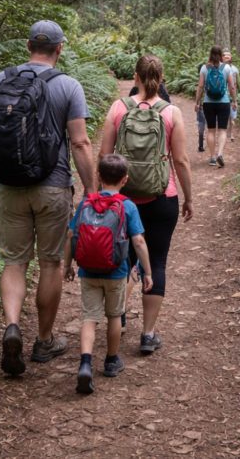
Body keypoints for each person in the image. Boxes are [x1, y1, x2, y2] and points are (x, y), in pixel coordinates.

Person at [0, 20, 96, 377]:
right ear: (59, 48)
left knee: (14, 262)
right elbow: (79, 142)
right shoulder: (68, 86)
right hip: (52, 185)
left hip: (9, 186)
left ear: (29, 45)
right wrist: (92, 191)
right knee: (50, 264)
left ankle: (13, 325)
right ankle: (43, 341)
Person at [98, 54, 193, 356]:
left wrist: (103, 195)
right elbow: (180, 160)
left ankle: (119, 317)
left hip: (123, 199)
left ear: (135, 78)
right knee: (158, 261)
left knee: (122, 260)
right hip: (161, 197)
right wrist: (189, 197)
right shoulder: (172, 112)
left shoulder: (118, 107)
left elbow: (104, 155)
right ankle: (148, 333)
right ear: (161, 79)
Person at [64, 154, 153, 394]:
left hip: (88, 271)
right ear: (125, 179)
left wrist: (67, 265)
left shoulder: (85, 204)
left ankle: (85, 363)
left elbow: (71, 235)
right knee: (114, 316)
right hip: (116, 271)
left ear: (99, 177)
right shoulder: (128, 205)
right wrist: (147, 271)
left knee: (89, 317)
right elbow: (138, 241)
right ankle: (111, 360)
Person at [195, 46, 237, 168]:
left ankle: (213, 158)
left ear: (210, 54)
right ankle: (220, 153)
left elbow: (200, 86)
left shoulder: (204, 68)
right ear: (220, 55)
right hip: (224, 102)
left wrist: (197, 102)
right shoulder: (227, 68)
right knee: (223, 130)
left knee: (211, 130)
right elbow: (232, 87)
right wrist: (234, 101)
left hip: (208, 103)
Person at [222, 50, 240, 142]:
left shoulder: (219, 68)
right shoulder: (235, 69)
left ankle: (229, 133)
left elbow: (238, 83)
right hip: (227, 96)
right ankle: (229, 134)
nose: (226, 58)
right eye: (225, 56)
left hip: (227, 96)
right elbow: (238, 84)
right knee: (230, 117)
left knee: (231, 117)